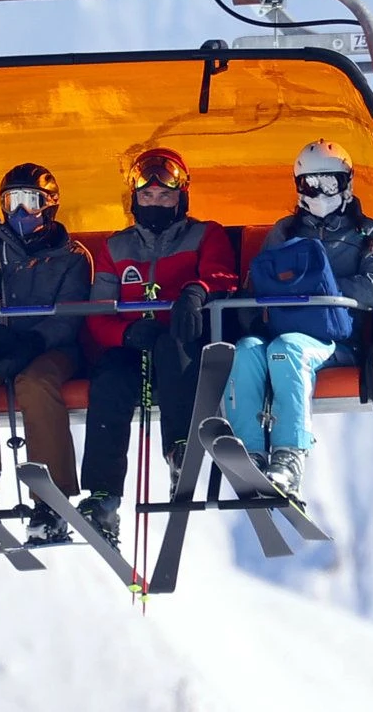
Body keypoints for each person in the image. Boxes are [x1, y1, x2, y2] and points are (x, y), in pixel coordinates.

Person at [76, 146, 238, 541]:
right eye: (147, 196)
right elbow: (98, 312)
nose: (155, 203)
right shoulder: (116, 247)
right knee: (111, 380)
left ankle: (180, 449)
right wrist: (125, 334)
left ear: (180, 197)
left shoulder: (204, 234)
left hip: (184, 336)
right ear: (135, 199)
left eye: (164, 196)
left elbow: (223, 277)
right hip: (135, 344)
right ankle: (103, 493)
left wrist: (196, 293)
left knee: (172, 348)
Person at [226, 141, 373, 501]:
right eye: (309, 184)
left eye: (328, 183)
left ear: (346, 183)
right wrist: (255, 312)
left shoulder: (369, 234)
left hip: (337, 341)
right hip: (280, 331)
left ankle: (289, 456)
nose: (319, 192)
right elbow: (258, 281)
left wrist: (321, 288)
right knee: (245, 351)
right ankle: (251, 454)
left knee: (288, 351)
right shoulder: (285, 233)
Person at [0, 163, 96, 543]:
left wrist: (32, 343)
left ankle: (52, 498)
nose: (19, 213)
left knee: (37, 382)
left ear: (49, 206)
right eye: (12, 201)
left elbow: (71, 314)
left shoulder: (72, 257)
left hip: (53, 349)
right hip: (2, 344)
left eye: (29, 202)